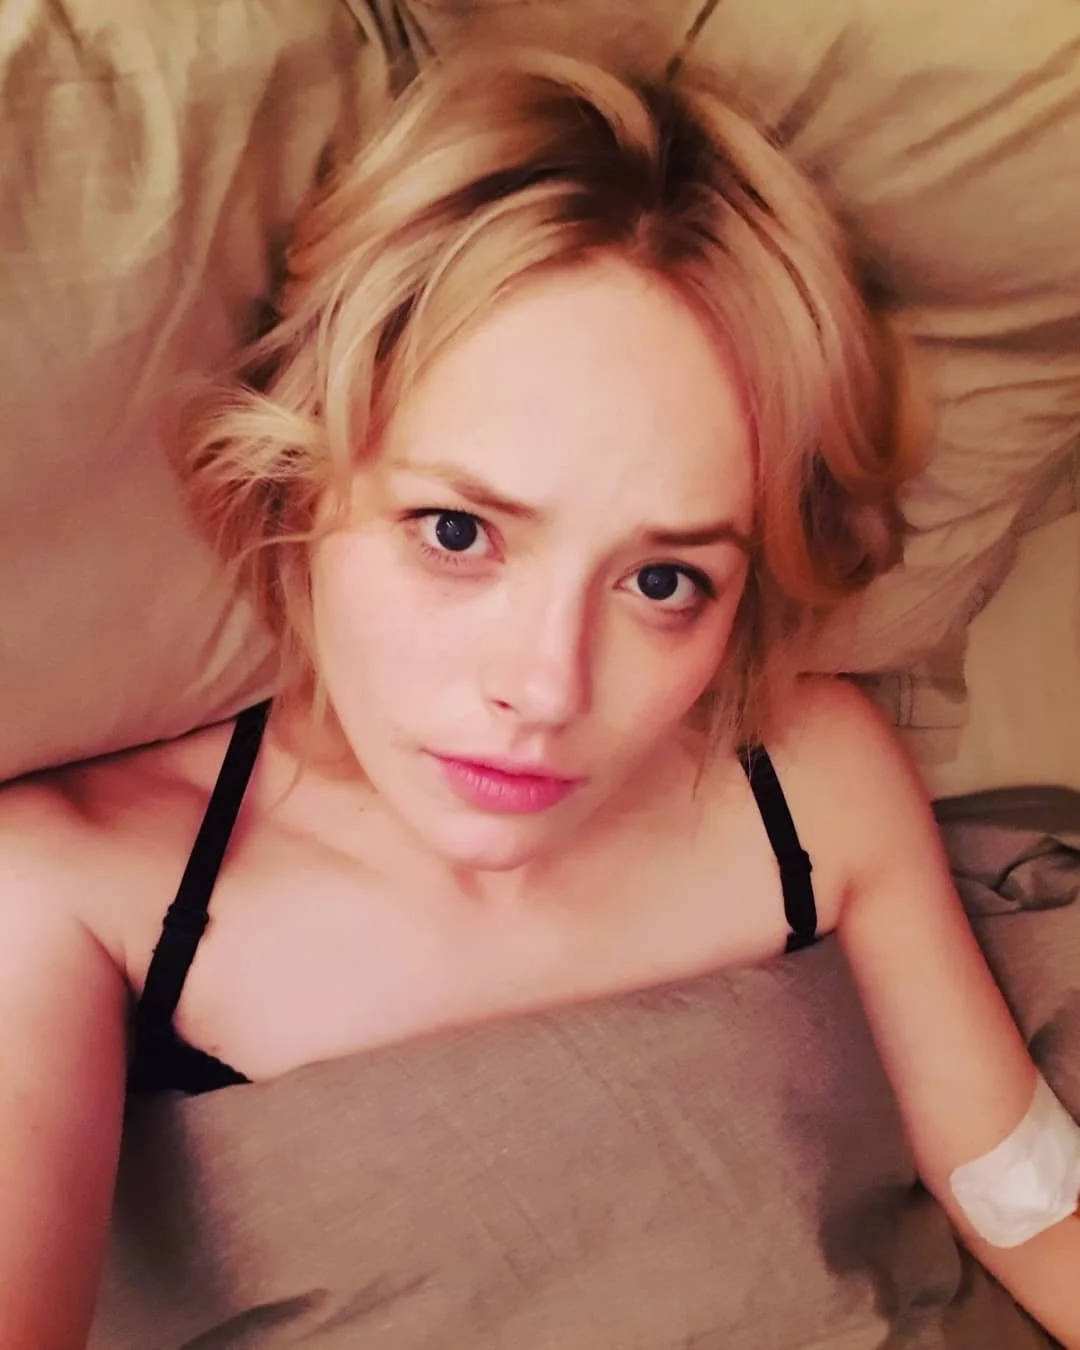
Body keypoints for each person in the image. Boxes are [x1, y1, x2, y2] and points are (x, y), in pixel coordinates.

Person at [1, 40, 1077, 1350]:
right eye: (457, 533)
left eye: (664, 580)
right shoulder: (68, 899)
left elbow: (1023, 1200)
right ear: (300, 482)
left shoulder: (810, 776)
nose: (546, 686)